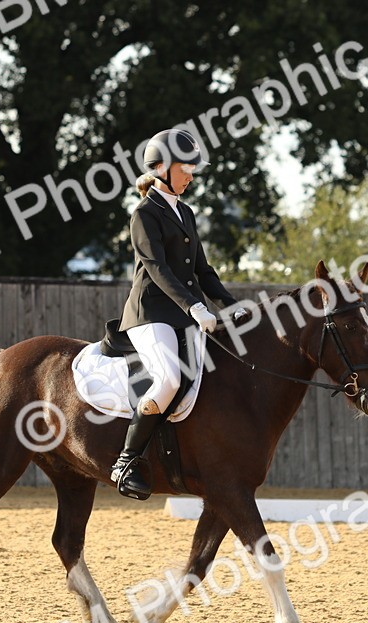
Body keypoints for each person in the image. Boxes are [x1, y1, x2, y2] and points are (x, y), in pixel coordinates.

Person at [108, 128, 239, 500]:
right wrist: (195, 306)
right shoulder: (144, 214)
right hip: (150, 314)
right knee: (168, 380)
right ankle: (126, 459)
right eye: (187, 169)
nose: (192, 176)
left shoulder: (187, 213)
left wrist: (230, 305)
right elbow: (157, 268)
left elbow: (203, 270)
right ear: (162, 167)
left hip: (184, 314)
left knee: (208, 380)